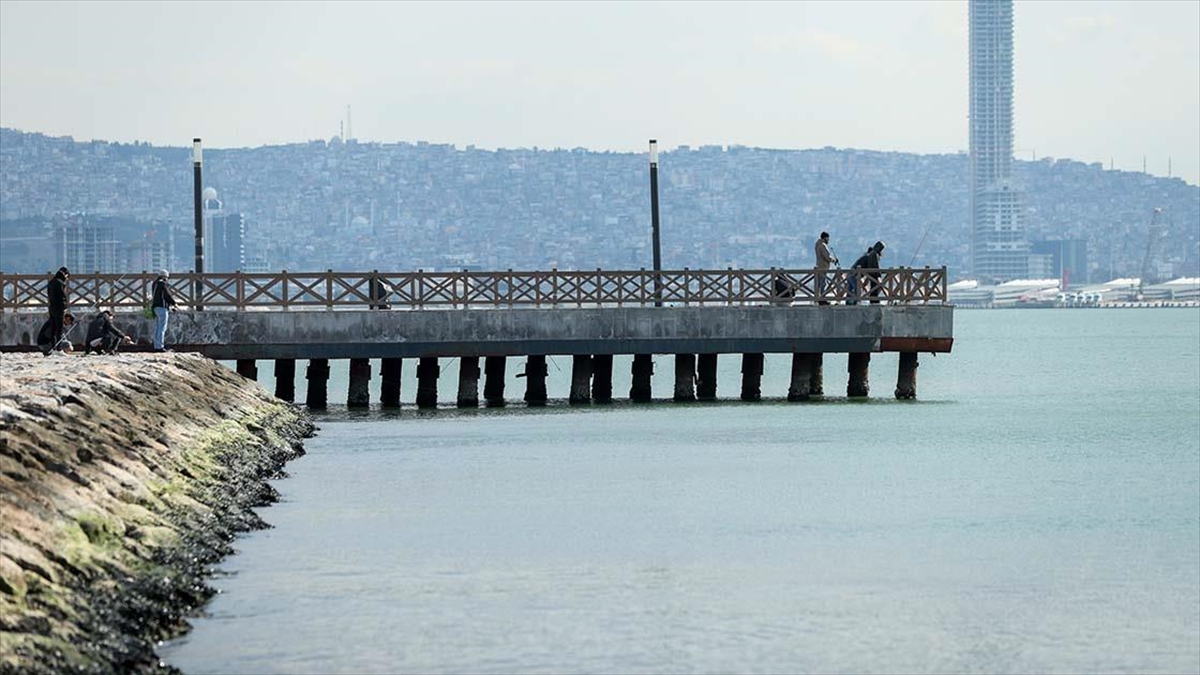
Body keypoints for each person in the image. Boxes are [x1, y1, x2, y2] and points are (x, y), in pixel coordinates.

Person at [151, 269, 177, 351]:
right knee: (162, 328)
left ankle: (156, 345)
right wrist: (174, 303)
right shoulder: (162, 284)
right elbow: (167, 295)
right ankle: (160, 347)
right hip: (162, 308)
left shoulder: (154, 283)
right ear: (165, 276)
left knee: (158, 327)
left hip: (155, 307)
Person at [814, 231, 839, 305]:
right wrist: (834, 260)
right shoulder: (823, 245)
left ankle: (818, 298)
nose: (828, 240)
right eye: (828, 238)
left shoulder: (817, 244)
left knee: (818, 284)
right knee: (823, 284)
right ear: (825, 238)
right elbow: (827, 257)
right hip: (823, 267)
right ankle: (822, 299)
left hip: (819, 266)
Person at [47, 266, 70, 347]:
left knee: (53, 328)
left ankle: (52, 346)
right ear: (65, 274)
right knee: (59, 329)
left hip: (51, 308)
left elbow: (49, 295)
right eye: (67, 276)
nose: (67, 279)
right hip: (59, 308)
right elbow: (62, 296)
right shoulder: (60, 283)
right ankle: (59, 347)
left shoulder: (51, 282)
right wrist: (65, 306)